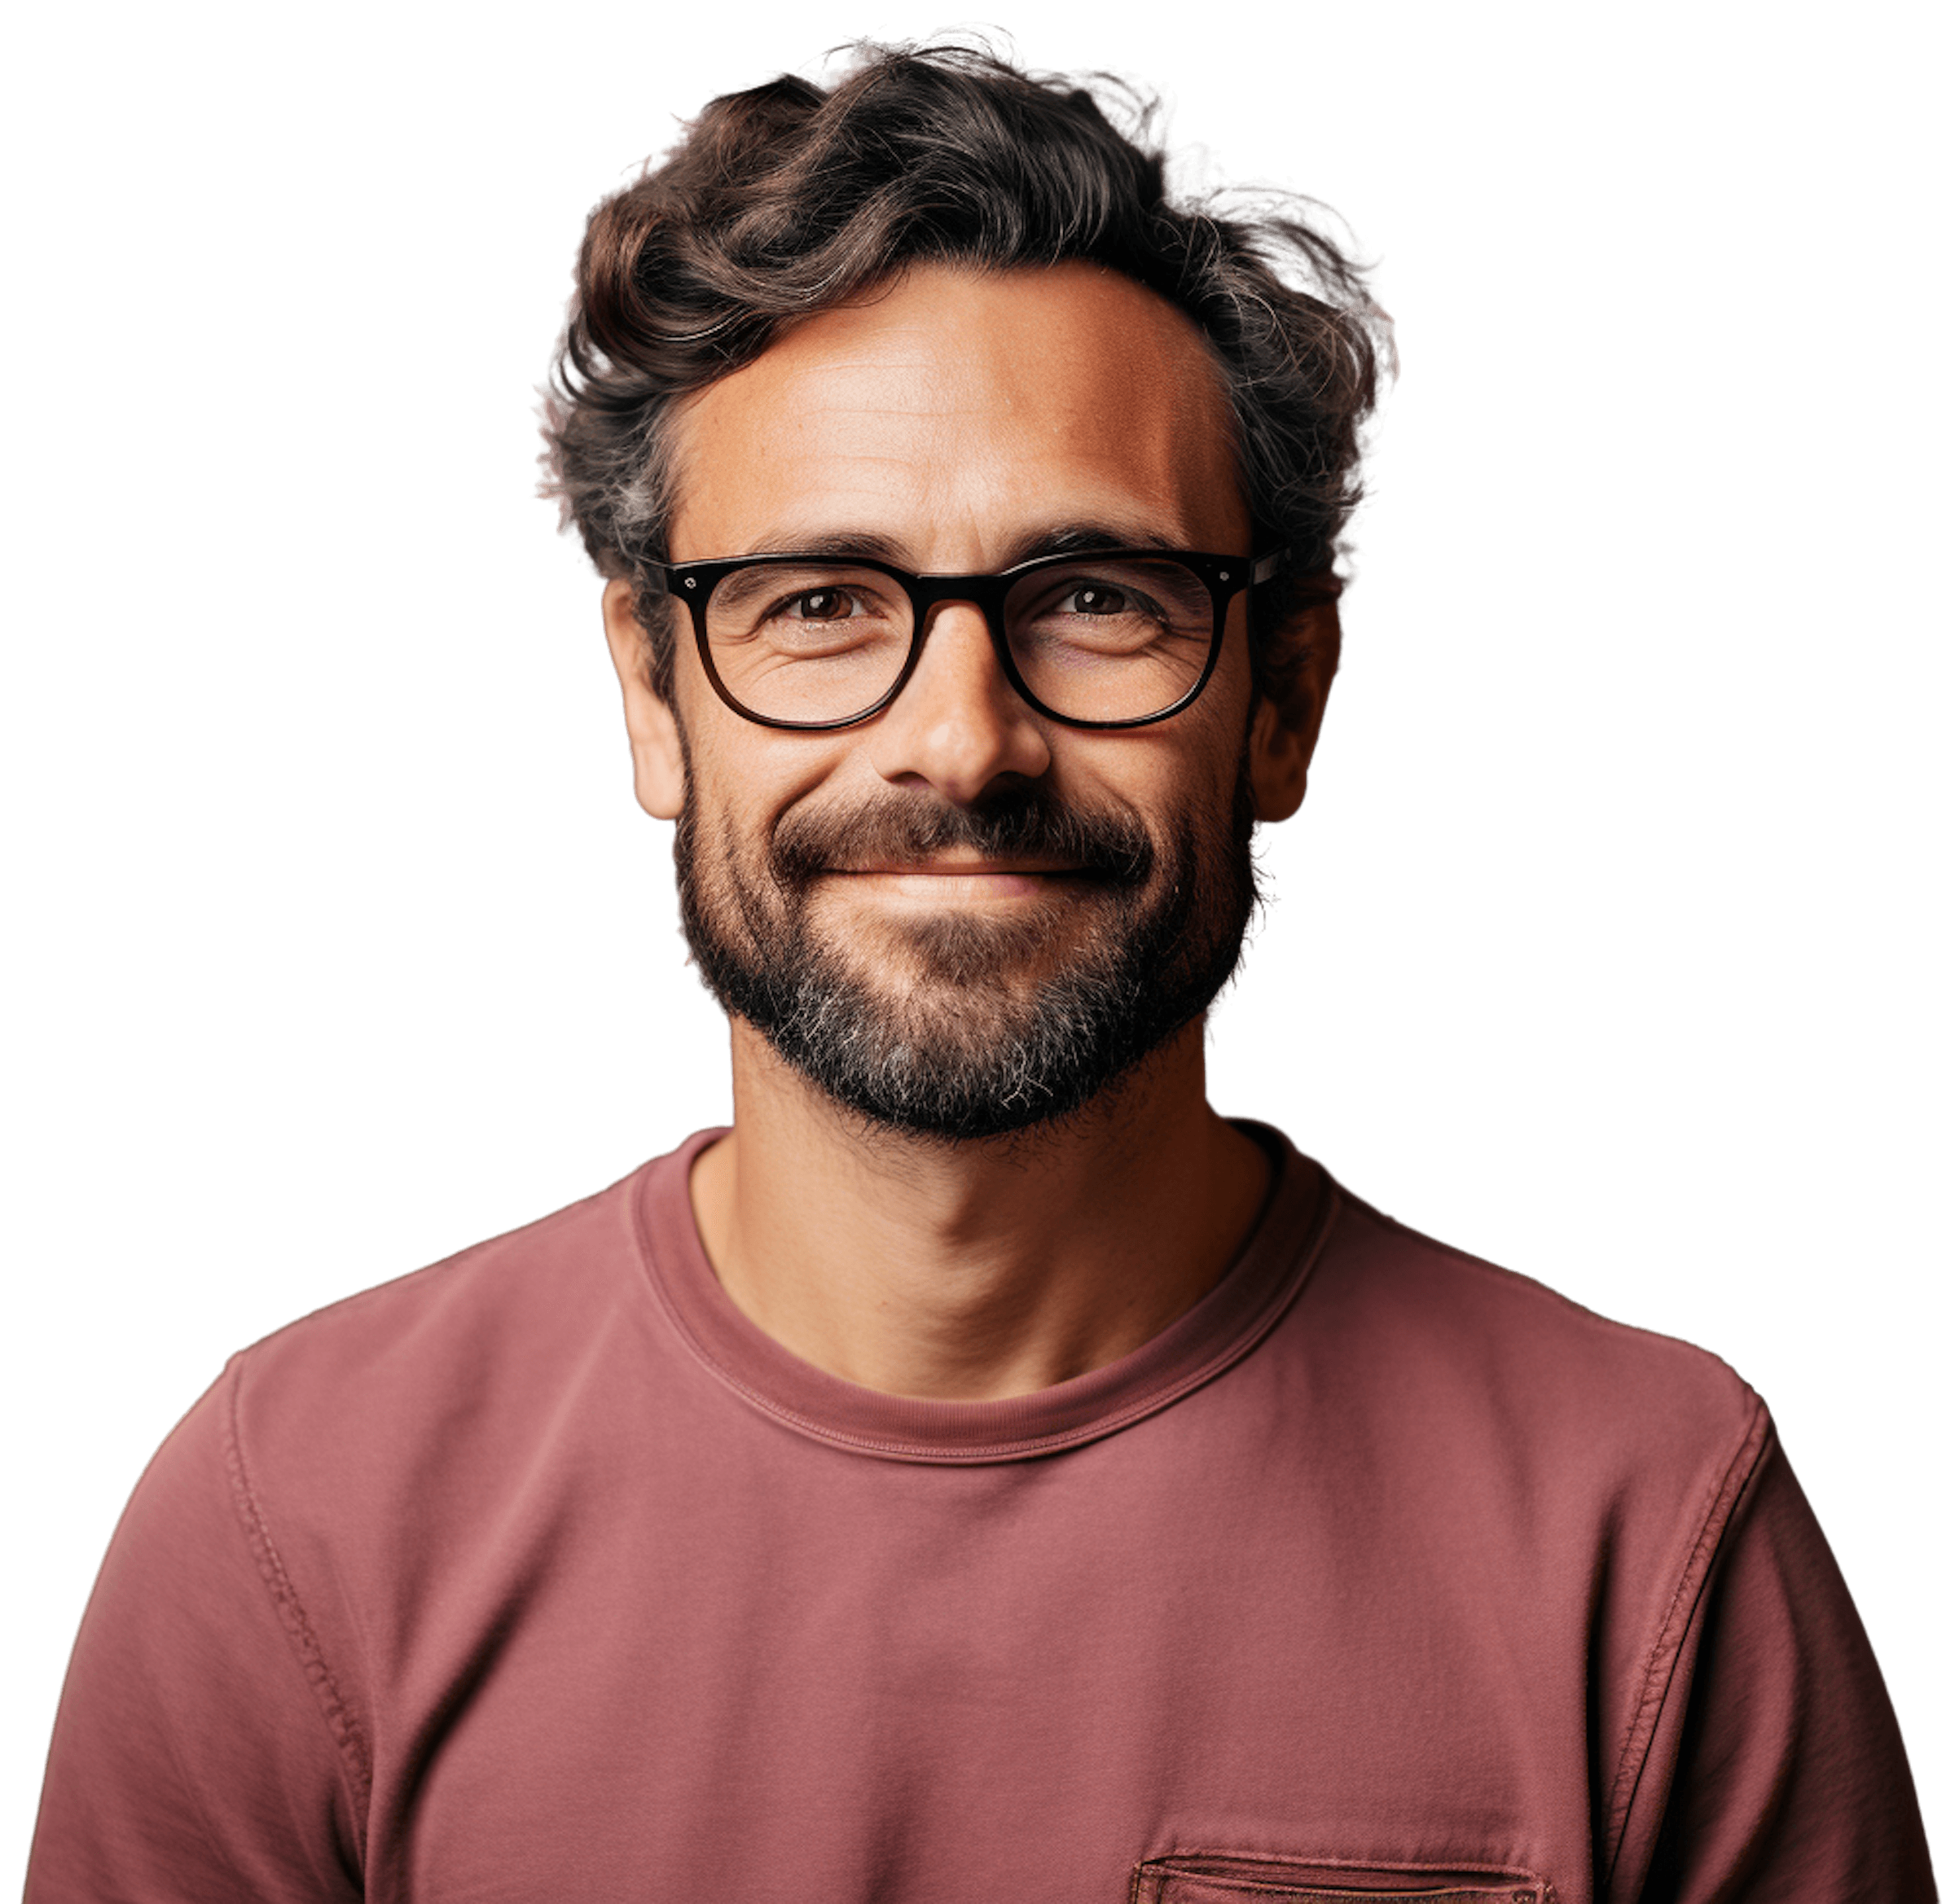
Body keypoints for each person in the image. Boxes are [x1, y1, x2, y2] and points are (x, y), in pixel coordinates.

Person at [24, 24, 1937, 1903]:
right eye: (819, 603)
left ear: (1286, 700)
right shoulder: (297, 1528)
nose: (961, 740)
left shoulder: (1649, 1527)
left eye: (1094, 596)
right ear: (651, 690)